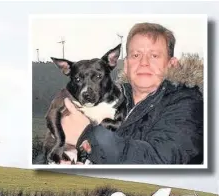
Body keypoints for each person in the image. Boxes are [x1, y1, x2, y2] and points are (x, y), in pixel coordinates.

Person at [60, 22, 204, 164]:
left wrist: (86, 135)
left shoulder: (188, 105)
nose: (144, 62)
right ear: (127, 66)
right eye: (136, 55)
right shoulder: (112, 100)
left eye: (154, 55)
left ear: (172, 64)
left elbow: (160, 161)